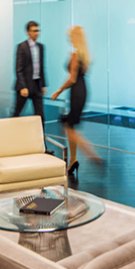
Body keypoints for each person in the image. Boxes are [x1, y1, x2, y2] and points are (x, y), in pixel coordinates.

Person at [51, 26, 101, 176]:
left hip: (76, 91)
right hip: (83, 90)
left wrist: (59, 90)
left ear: (75, 37)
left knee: (68, 127)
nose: (69, 39)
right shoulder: (86, 55)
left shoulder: (75, 55)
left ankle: (92, 155)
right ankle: (73, 159)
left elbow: (72, 79)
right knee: (70, 126)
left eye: (70, 37)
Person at [14, 21, 47, 126]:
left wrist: (43, 84)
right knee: (17, 112)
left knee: (40, 114)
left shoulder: (40, 47)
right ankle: (11, 131)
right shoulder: (22, 47)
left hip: (37, 84)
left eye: (38, 31)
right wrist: (23, 86)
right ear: (28, 32)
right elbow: (19, 69)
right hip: (25, 84)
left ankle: (40, 135)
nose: (37, 33)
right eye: (34, 31)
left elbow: (42, 67)